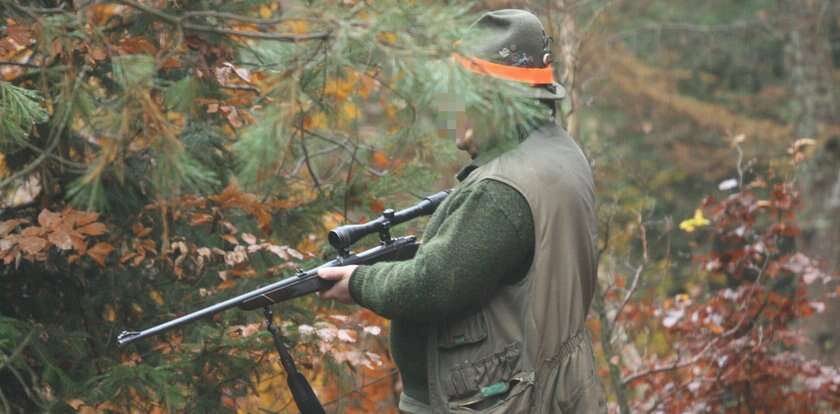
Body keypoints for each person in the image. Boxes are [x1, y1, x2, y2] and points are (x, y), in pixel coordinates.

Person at [318, 9, 606, 414]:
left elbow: (432, 284)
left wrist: (358, 282)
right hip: (548, 389)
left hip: (508, 400)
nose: (452, 109)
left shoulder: (502, 191)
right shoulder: (558, 152)